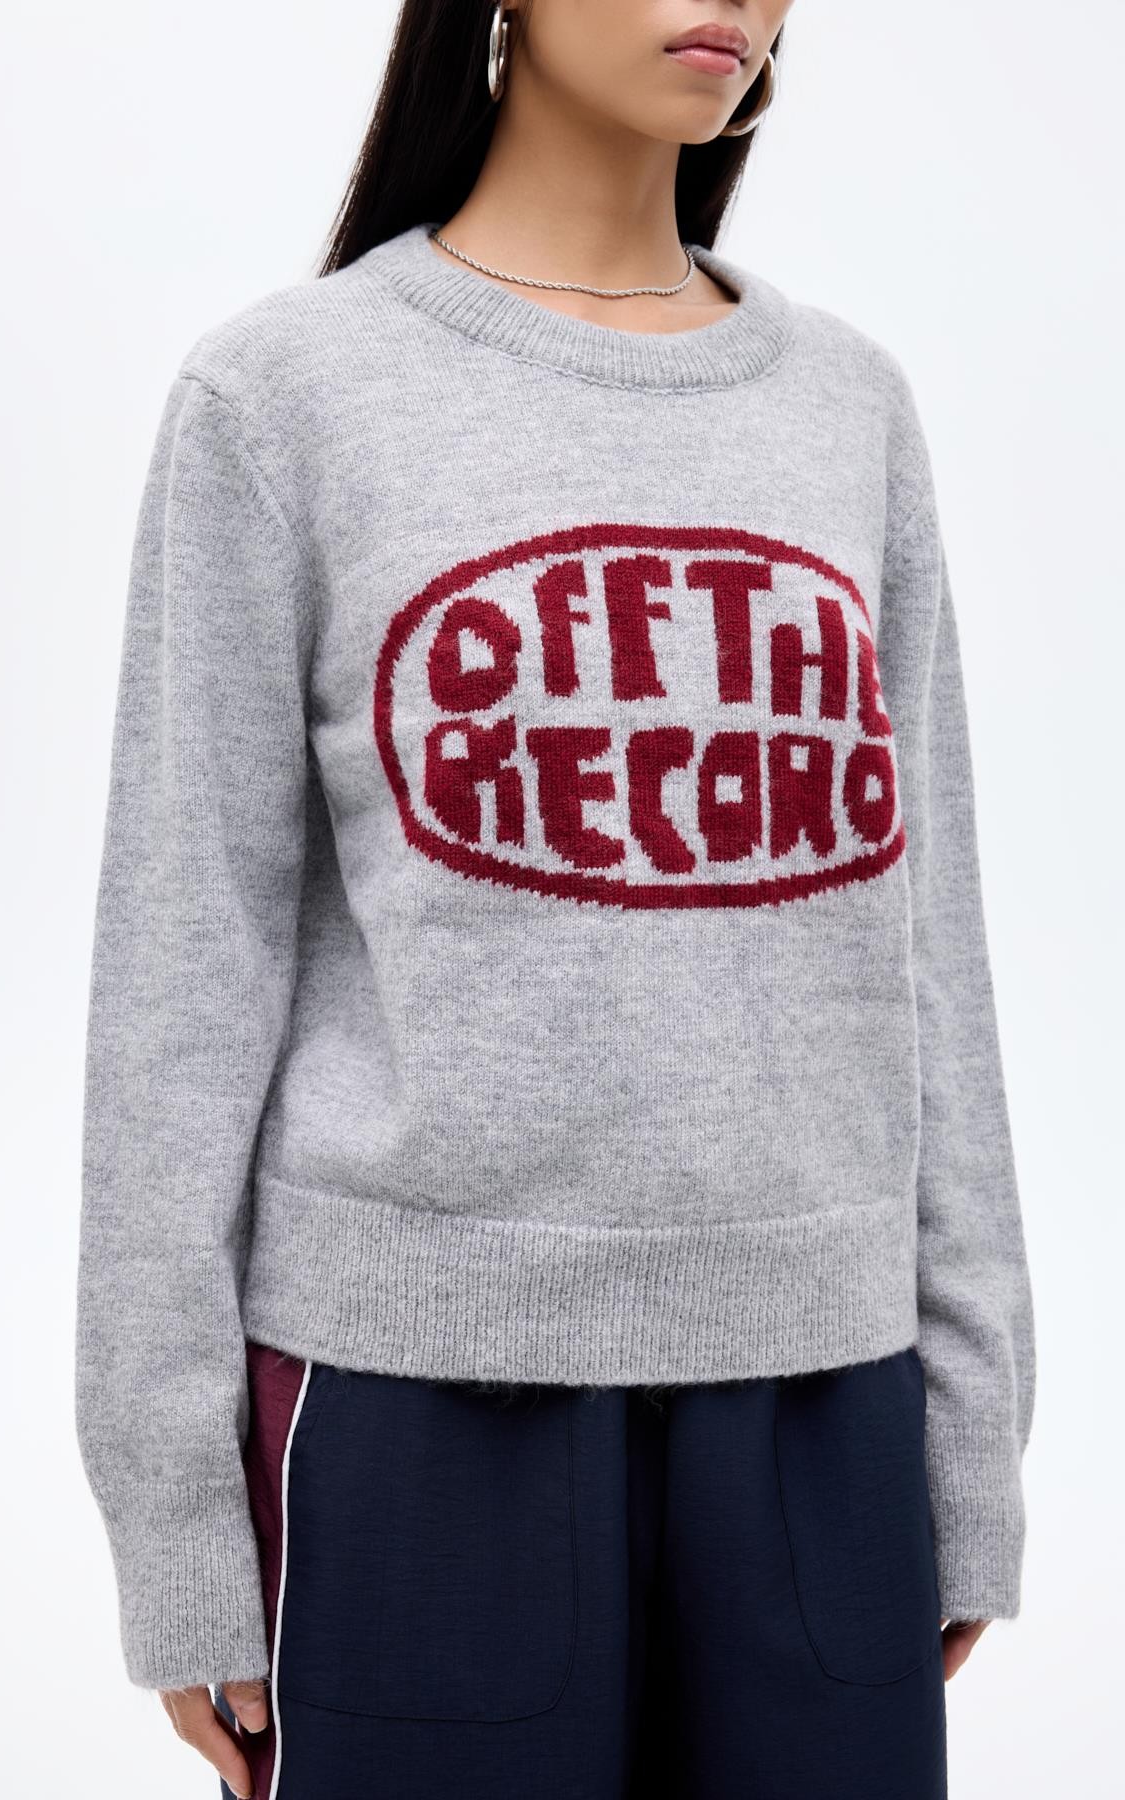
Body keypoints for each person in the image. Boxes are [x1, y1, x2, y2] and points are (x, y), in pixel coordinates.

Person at [74, 3, 1037, 1796]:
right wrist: (171, 1514)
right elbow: (181, 976)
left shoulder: (851, 407)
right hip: (413, 1408)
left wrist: (974, 1440)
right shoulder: (282, 398)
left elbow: (931, 945)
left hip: (826, 1407)